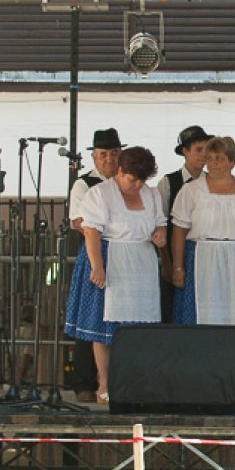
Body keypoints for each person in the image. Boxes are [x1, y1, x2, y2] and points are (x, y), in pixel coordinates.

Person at [63, 147, 167, 404]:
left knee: (138, 325)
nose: (137, 185)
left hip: (140, 262)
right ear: (120, 171)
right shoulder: (100, 193)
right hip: (110, 257)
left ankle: (135, 383)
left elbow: (160, 223)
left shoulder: (151, 194)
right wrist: (97, 267)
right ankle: (105, 384)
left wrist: (160, 234)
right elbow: (91, 232)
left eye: (142, 180)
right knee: (104, 326)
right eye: (132, 179)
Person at [169, 136, 235, 352]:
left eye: (220, 158)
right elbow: (179, 230)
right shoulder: (191, 190)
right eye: (210, 158)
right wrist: (178, 267)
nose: (214, 163)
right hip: (203, 259)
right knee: (204, 315)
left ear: (232, 161)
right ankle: (203, 365)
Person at [66, 127, 122, 403]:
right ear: (94, 156)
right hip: (95, 252)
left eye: (113, 153)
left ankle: (116, 380)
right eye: (103, 154)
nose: (109, 159)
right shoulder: (84, 184)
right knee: (89, 320)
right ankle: (84, 382)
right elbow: (78, 221)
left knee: (118, 320)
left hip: (123, 255)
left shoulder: (127, 182)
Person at [157, 125, 210, 321]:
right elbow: (161, 224)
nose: (203, 155)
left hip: (204, 254)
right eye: (198, 149)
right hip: (175, 252)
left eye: (206, 149)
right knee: (174, 306)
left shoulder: (213, 181)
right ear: (185, 151)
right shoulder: (168, 183)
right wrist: (167, 262)